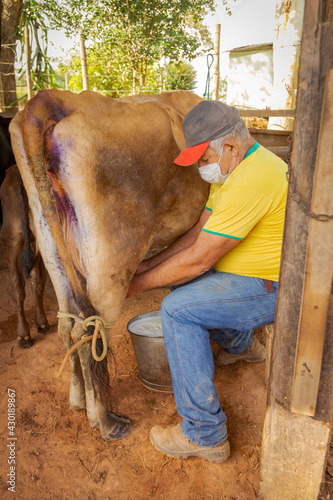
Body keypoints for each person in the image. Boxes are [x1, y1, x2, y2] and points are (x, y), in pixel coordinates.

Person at [127, 100, 287, 463]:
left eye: (203, 158)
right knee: (175, 278)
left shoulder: (253, 180)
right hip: (244, 277)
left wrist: (136, 286)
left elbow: (198, 259)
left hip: (268, 288)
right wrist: (149, 265)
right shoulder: (236, 167)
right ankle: (241, 346)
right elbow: (200, 232)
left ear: (228, 146)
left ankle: (204, 434)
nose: (201, 167)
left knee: (177, 310)